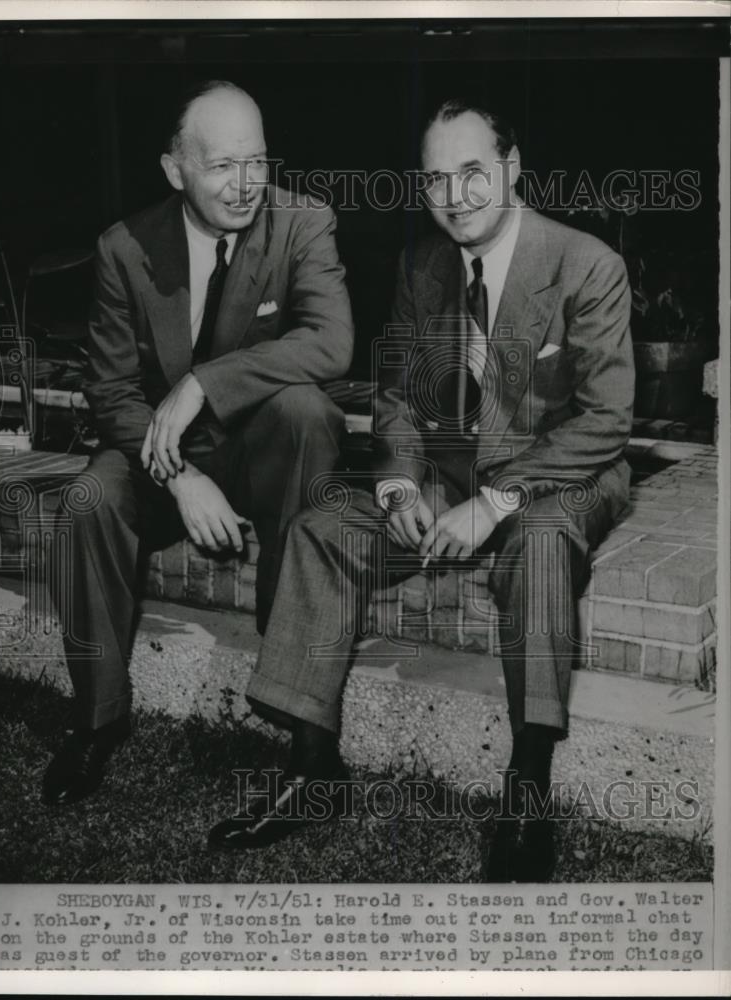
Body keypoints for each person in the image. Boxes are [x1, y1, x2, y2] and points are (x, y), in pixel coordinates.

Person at [208, 98, 634, 883]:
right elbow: (400, 397)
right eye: (436, 178)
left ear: (510, 168)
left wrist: (495, 503)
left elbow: (607, 421)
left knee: (538, 547)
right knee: (318, 526)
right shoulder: (421, 266)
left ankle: (527, 790)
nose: (454, 196)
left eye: (472, 172)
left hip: (559, 473)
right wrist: (401, 484)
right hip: (444, 473)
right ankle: (313, 768)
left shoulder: (585, 263)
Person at [43, 81, 354, 806]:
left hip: (262, 453)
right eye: (221, 166)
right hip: (163, 460)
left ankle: (304, 715)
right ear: (175, 168)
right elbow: (112, 394)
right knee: (88, 498)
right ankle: (95, 721)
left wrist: (204, 383)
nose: (245, 185)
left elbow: (332, 343)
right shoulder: (125, 248)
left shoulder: (301, 222)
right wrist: (180, 477)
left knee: (308, 412)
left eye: (257, 161)